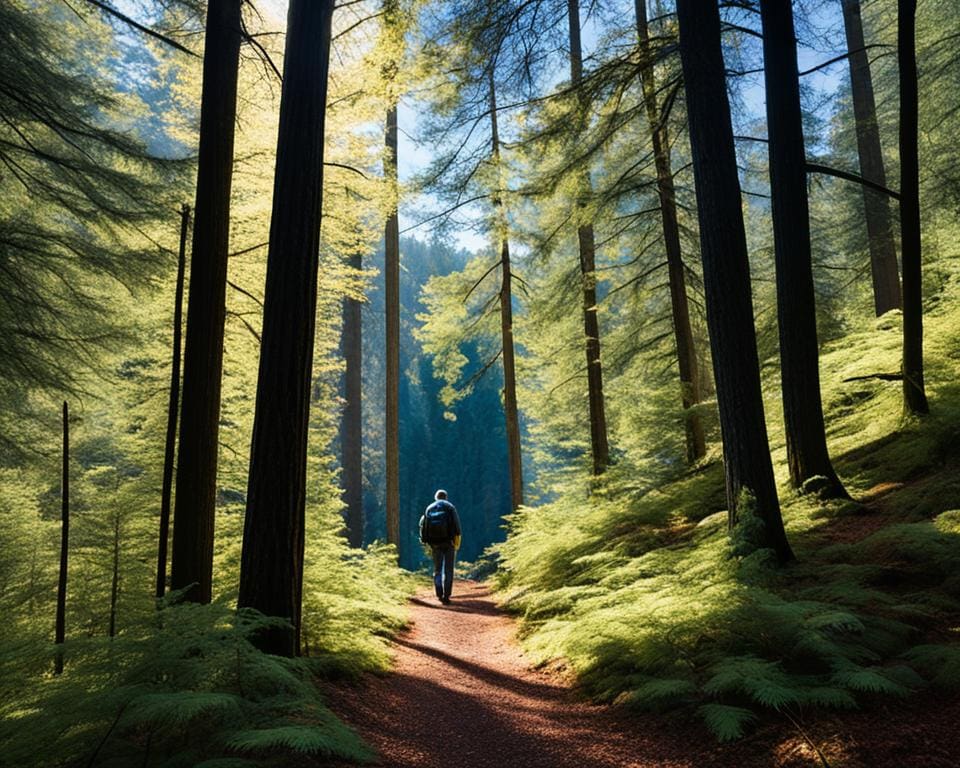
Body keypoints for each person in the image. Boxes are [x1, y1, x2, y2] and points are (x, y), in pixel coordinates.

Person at [419, 489, 461, 605]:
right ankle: (447, 595)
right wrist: (456, 538)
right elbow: (457, 526)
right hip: (449, 542)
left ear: (436, 497)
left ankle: (439, 593)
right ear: (445, 497)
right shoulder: (450, 507)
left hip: (435, 544)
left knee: (437, 569)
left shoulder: (430, 508)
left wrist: (426, 541)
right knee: (448, 569)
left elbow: (424, 525)